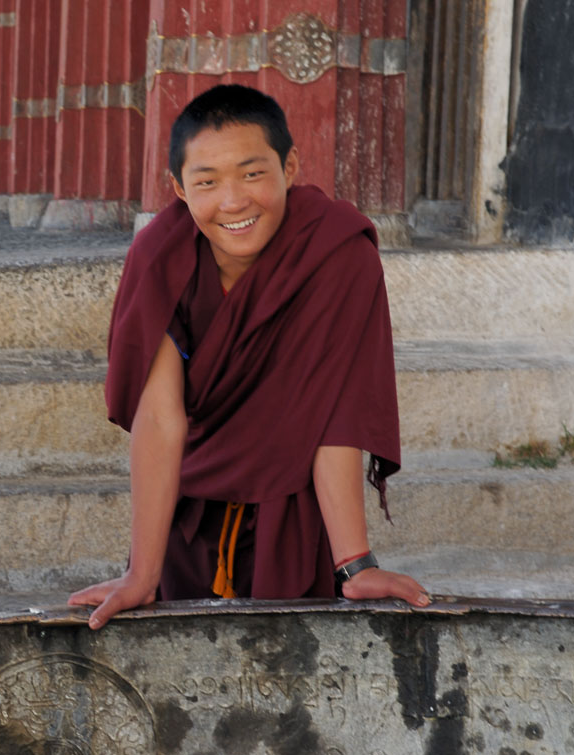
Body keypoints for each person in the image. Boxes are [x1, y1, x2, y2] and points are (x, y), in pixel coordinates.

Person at [70, 84, 430, 629]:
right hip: (185, 519)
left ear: (289, 167)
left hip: (291, 517)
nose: (234, 201)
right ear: (179, 188)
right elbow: (161, 414)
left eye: (252, 173)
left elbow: (336, 412)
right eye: (207, 182)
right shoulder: (160, 257)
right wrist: (141, 572)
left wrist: (353, 563)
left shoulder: (336, 254)